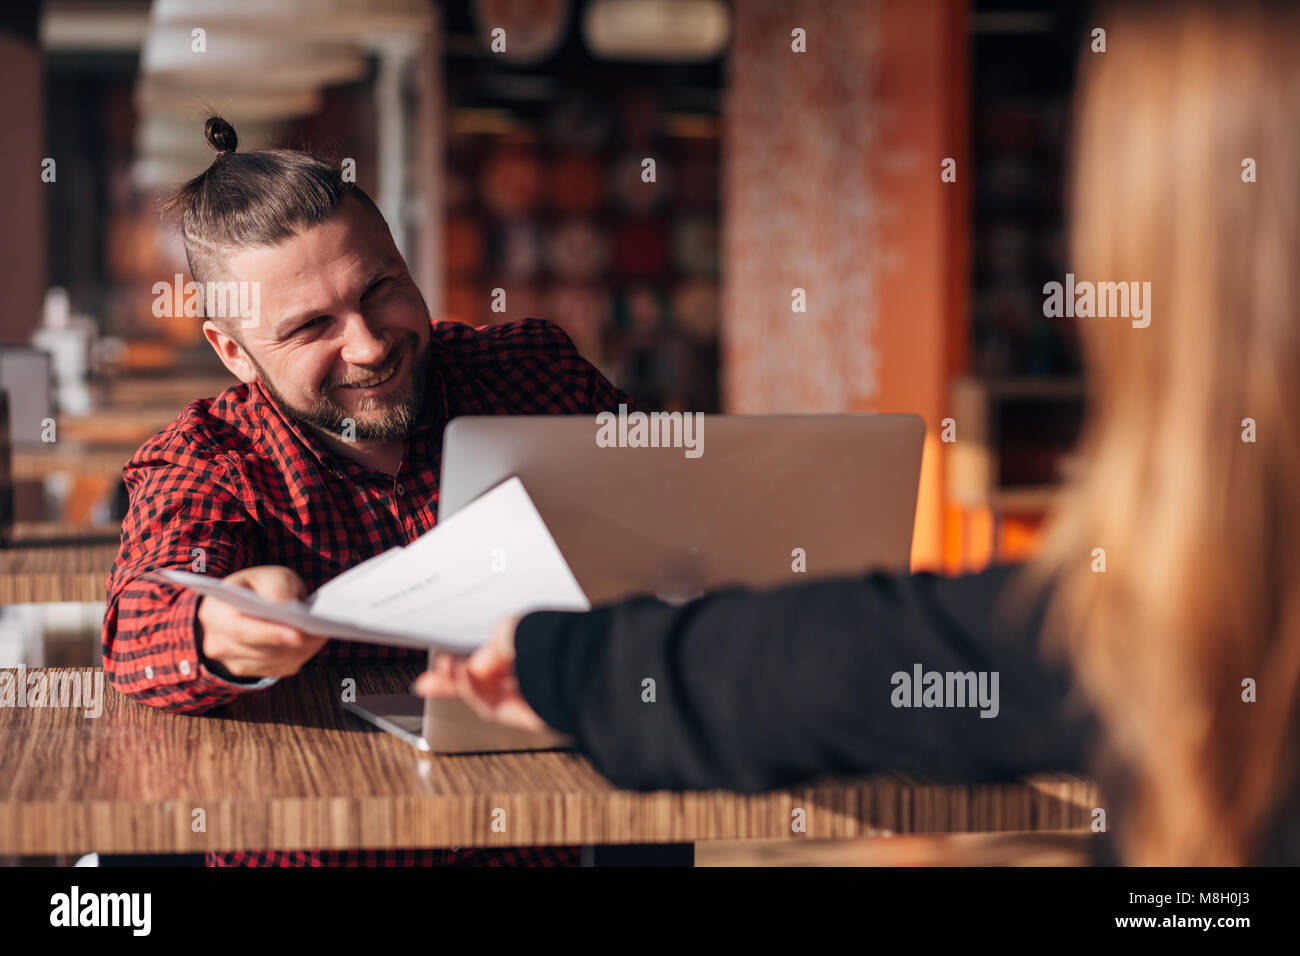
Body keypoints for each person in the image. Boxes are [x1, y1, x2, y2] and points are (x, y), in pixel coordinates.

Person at [417, 0, 1300, 865]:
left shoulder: (1152, 627)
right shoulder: (1172, 619)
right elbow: (902, 653)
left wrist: (570, 665)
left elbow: (895, 658)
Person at [103, 116, 636, 867]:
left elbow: (675, 499)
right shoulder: (207, 459)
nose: (369, 343)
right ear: (233, 352)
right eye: (311, 327)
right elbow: (136, 627)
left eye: (380, 289)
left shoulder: (530, 373)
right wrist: (220, 629)